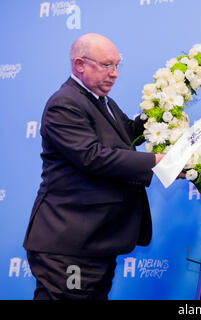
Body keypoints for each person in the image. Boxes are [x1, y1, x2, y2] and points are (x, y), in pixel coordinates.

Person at [23, 33, 164, 300]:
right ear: (79, 64)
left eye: (117, 65)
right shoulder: (64, 103)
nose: (114, 74)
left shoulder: (103, 101)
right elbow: (92, 156)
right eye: (106, 65)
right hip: (68, 245)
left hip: (96, 241)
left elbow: (128, 136)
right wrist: (157, 162)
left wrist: (162, 111)